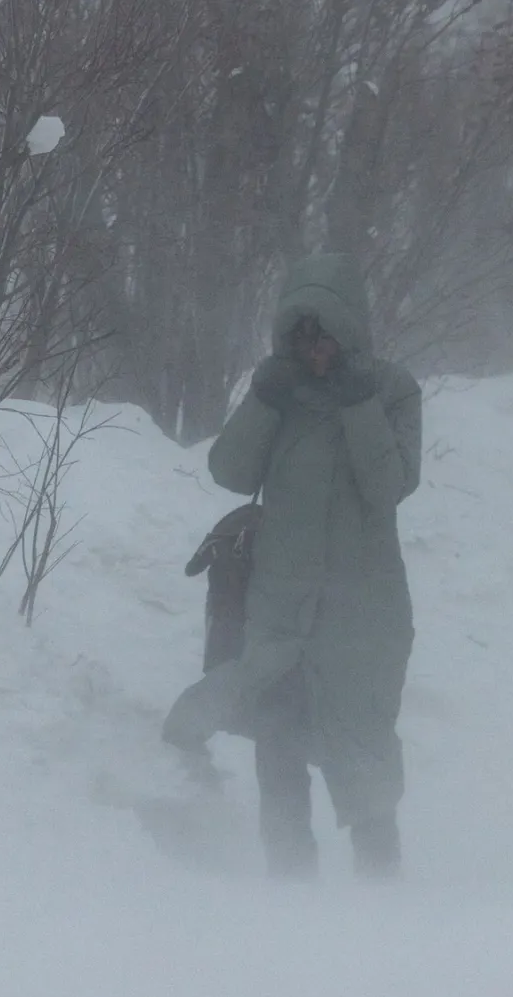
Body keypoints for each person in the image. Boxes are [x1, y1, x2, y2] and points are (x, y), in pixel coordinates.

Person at [163, 253, 422, 881]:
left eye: (323, 332)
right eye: (299, 334)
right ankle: (290, 896)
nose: (312, 349)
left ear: (349, 331)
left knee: (361, 753)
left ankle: (383, 898)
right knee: (278, 748)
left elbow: (390, 484)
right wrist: (262, 400)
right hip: (280, 611)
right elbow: (230, 472)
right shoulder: (278, 393)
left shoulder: (391, 389)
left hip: (362, 616)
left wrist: (358, 404)